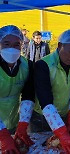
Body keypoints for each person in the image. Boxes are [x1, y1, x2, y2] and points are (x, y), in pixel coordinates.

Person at [33, 29, 70, 154]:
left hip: (66, 113)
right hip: (42, 118)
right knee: (43, 149)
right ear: (59, 46)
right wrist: (62, 133)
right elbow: (45, 100)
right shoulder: (43, 65)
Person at [0, 25, 35, 153]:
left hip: (13, 121)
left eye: (16, 45)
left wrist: (23, 123)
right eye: (6, 44)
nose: (12, 49)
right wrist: (2, 135)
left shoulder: (27, 65)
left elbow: (28, 94)